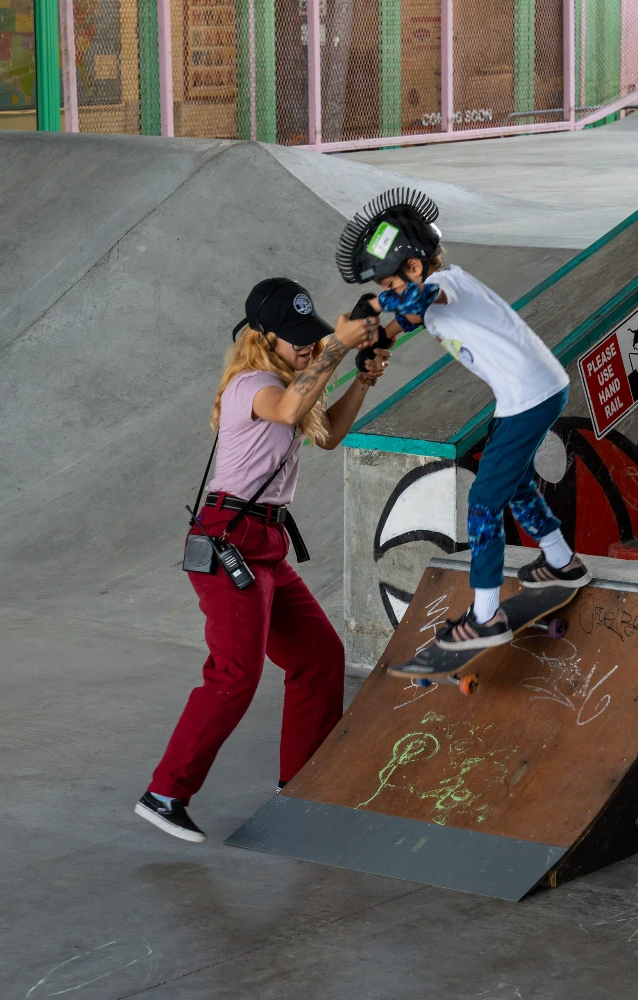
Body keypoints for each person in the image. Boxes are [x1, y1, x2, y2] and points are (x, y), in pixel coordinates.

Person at [136, 278, 388, 842]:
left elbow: (327, 436)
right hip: (230, 539)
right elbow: (294, 403)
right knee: (234, 675)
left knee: (320, 656)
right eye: (296, 339)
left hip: (267, 544)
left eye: (311, 337)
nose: (307, 346)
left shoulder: (289, 381)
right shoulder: (252, 384)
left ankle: (303, 785)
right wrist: (339, 349)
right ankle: (164, 793)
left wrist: (362, 380)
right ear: (263, 338)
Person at [335, 189, 590, 669]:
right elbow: (413, 313)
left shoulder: (449, 283)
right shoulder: (430, 293)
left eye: (390, 284)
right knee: (514, 486)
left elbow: (426, 297)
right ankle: (560, 560)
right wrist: (382, 338)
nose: (390, 296)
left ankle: (486, 615)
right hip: (531, 394)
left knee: (482, 503)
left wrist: (370, 307)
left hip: (527, 399)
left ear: (414, 267)